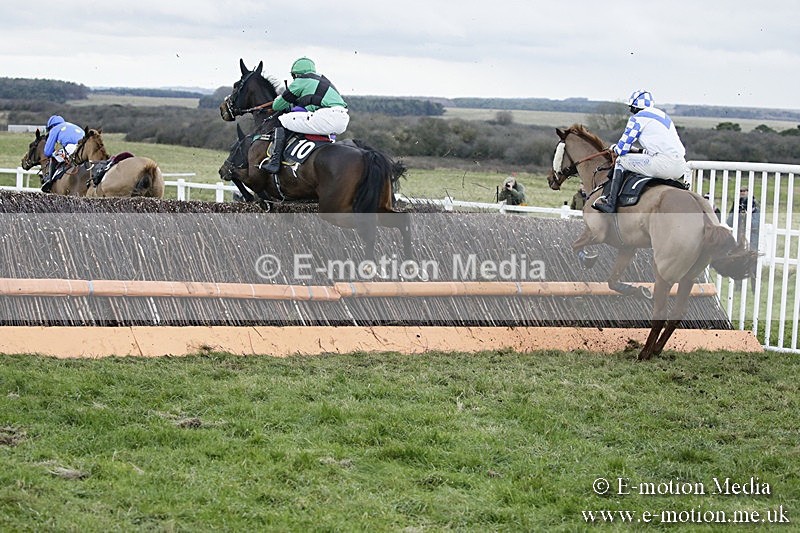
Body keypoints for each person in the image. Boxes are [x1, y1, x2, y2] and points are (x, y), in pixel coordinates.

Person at [593, 90, 687, 213]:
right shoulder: (663, 116)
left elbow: (621, 149)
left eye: (631, 107)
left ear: (635, 107)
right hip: (681, 166)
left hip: (663, 164)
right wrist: (637, 151)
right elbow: (659, 148)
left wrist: (614, 148)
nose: (630, 110)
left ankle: (611, 203)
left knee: (621, 160)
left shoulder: (638, 118)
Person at [262, 57, 349, 173]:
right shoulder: (323, 80)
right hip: (342, 119)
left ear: (296, 74)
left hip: (326, 116)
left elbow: (277, 106)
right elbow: (311, 105)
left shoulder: (300, 81)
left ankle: (275, 161)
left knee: (283, 119)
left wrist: (280, 99)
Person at [42, 115, 85, 181]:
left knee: (54, 155)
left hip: (71, 147)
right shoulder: (72, 125)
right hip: (84, 149)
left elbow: (47, 152)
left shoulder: (54, 129)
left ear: (52, 126)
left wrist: (52, 153)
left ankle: (49, 179)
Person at [727, 187, 760, 252]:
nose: (742, 192)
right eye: (741, 191)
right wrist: (736, 211)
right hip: (738, 237)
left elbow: (755, 225)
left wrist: (747, 214)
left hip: (752, 238)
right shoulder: (736, 204)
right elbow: (729, 223)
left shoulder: (755, 207)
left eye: (744, 191)